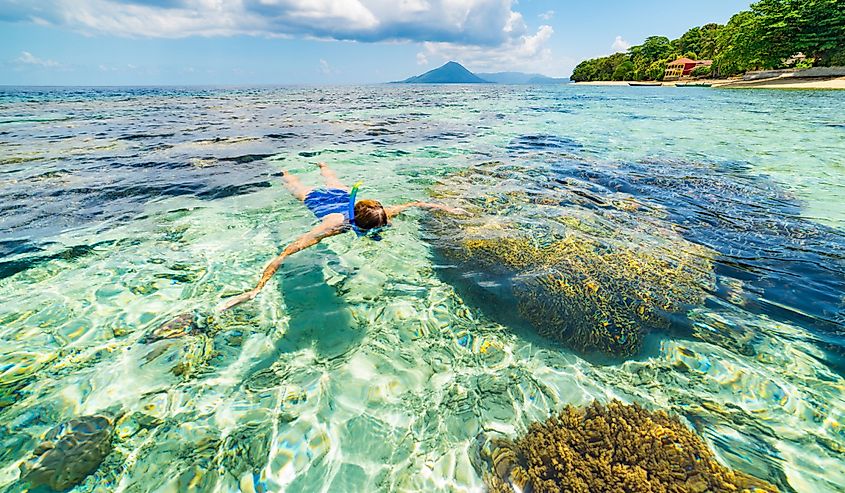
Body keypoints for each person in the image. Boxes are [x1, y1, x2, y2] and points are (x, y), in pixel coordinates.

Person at [217, 162, 464, 311]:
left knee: (334, 180)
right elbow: (287, 252)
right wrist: (257, 289)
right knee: (298, 190)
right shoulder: (332, 226)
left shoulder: (382, 214)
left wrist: (449, 209)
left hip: (345, 197)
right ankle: (282, 171)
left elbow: (415, 203)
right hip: (322, 203)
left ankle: (322, 164)